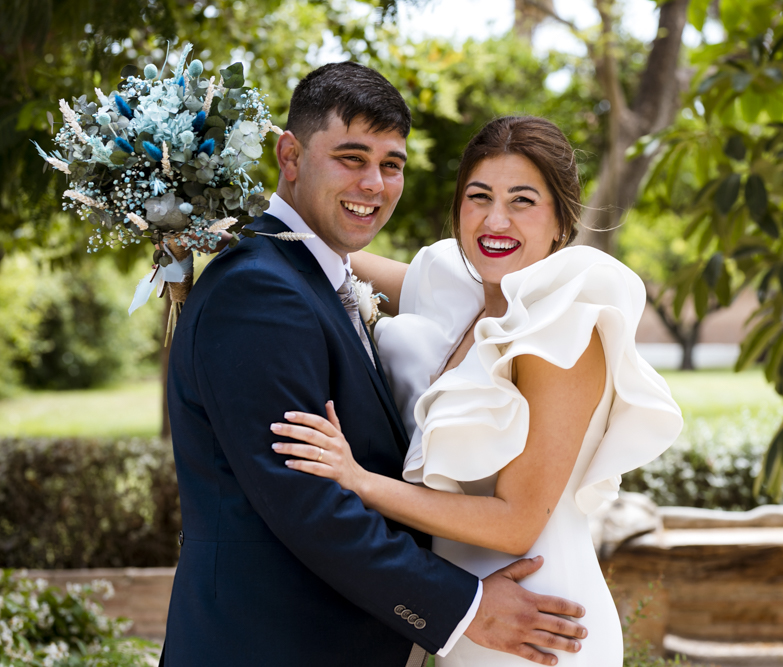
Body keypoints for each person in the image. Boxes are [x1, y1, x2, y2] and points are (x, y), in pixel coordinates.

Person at [162, 63, 588, 667]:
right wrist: (462, 607)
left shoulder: (321, 276)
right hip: (271, 643)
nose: (375, 184)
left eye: (391, 165)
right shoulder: (259, 291)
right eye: (351, 158)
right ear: (290, 156)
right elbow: (309, 503)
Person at [270, 115, 684, 665]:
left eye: (522, 201)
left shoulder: (564, 332)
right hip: (468, 618)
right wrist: (214, 197)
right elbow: (324, 248)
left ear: (561, 220)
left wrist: (358, 481)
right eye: (479, 195)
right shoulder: (461, 293)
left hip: (543, 623)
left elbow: (515, 524)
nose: (495, 220)